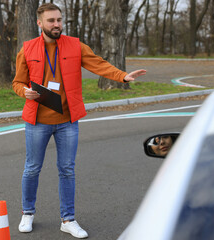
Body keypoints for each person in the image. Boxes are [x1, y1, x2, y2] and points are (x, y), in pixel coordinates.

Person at [12, 3, 146, 239]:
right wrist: (25, 92)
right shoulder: (27, 49)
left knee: (67, 170)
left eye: (59, 20)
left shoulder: (75, 45)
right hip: (37, 121)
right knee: (32, 168)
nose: (57, 24)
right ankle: (28, 213)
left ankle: (68, 219)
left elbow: (99, 64)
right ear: (39, 23)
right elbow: (17, 82)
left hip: (67, 121)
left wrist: (123, 76)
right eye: (51, 20)